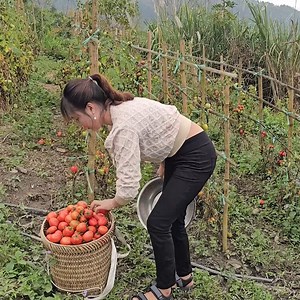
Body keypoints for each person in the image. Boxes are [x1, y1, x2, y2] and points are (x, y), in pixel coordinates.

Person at [60, 74, 217, 300]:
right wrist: (166, 156)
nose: (80, 125)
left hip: (195, 157)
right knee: (172, 219)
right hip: (183, 150)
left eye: (77, 119)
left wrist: (112, 203)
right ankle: (185, 276)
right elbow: (162, 119)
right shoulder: (120, 107)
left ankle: (164, 289)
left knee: (158, 222)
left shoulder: (123, 127)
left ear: (91, 108)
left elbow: (129, 188)